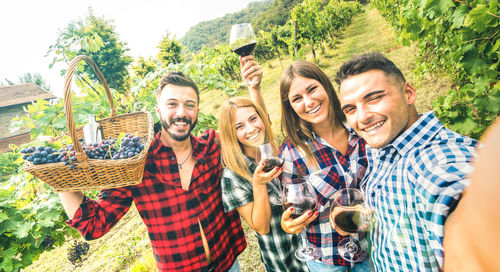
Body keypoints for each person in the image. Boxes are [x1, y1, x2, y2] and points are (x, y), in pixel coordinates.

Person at [58, 71, 250, 272]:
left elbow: (256, 136)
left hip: (228, 265)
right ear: (159, 110)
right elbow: (93, 225)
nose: (181, 112)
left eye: (189, 105)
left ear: (197, 111)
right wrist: (60, 177)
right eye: (172, 104)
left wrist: (253, 88)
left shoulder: (213, 146)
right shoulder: (138, 164)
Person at [335, 52, 478, 271]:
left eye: (373, 98)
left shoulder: (435, 161)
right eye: (351, 109)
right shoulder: (384, 145)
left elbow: (454, 194)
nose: (362, 117)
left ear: (409, 93)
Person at [279, 60, 374, 271]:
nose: (309, 101)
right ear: (291, 107)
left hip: (372, 248)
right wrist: (291, 224)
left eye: (312, 89)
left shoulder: (362, 129)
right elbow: (292, 206)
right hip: (326, 259)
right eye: (297, 98)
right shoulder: (292, 153)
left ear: (325, 85)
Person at [219, 96, 309, 272]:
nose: (251, 128)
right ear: (232, 134)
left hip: (310, 246)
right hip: (284, 259)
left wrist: (255, 88)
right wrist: (258, 185)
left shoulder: (275, 151)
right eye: (240, 126)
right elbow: (261, 227)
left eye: (253, 118)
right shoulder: (233, 176)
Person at [443, 117, 500, 271]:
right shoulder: (376, 151)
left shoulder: (440, 155)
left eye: (376, 97)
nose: (368, 116)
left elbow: (451, 186)